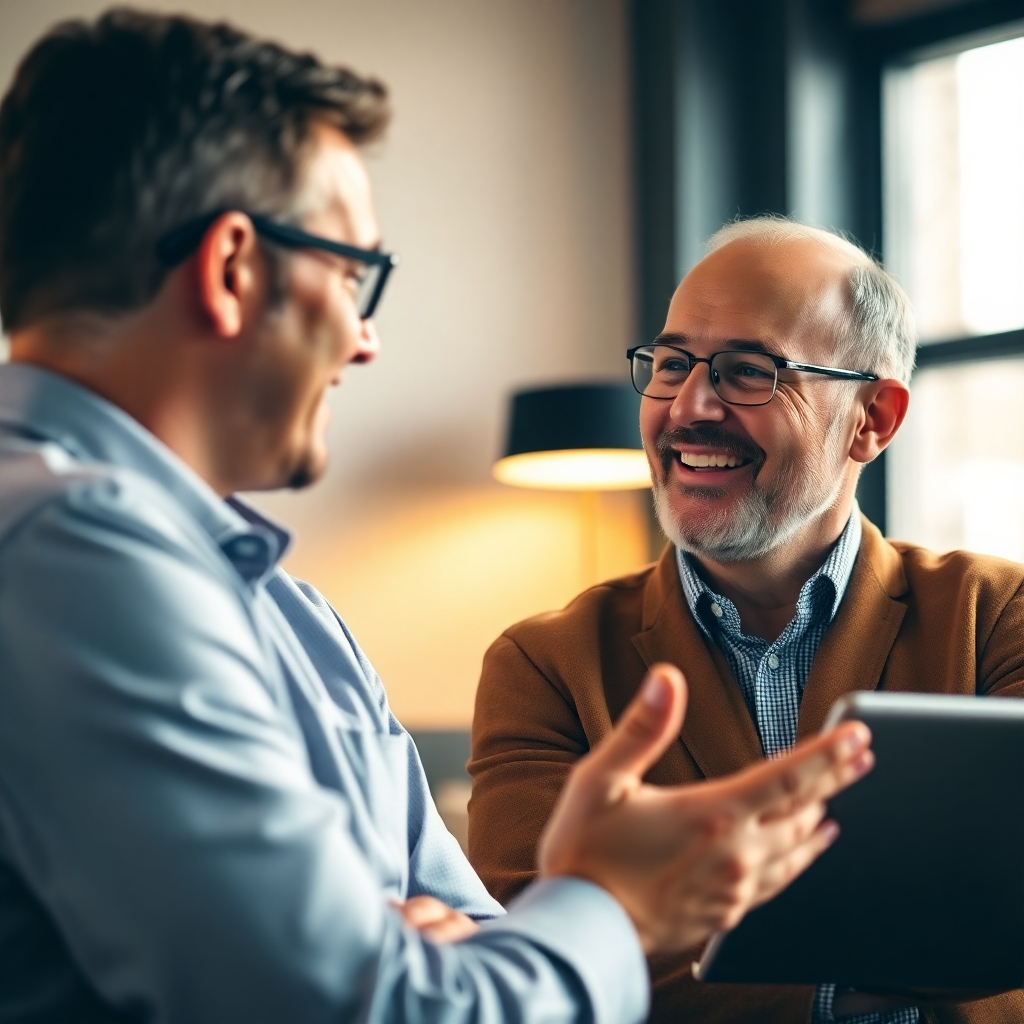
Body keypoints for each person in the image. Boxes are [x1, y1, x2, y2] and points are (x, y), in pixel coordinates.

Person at [0, 12, 877, 1024]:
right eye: (350, 273)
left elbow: (467, 958)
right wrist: (608, 902)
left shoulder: (296, 616)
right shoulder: (67, 558)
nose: (364, 340)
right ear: (232, 269)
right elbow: (396, 1009)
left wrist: (486, 953)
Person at [468, 219, 1024, 1024]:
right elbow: (539, 964)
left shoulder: (999, 615)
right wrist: (878, 976)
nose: (689, 407)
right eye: (670, 364)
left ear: (873, 419)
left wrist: (669, 953)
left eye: (747, 372)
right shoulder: (545, 663)